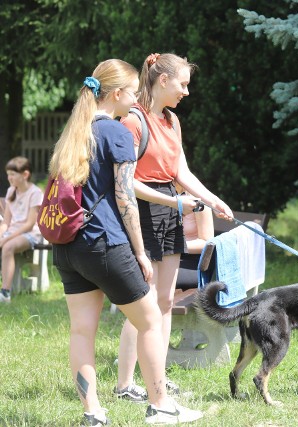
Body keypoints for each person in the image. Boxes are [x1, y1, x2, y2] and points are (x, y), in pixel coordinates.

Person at [49, 59, 202, 425]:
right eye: (132, 93)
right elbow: (125, 198)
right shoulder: (116, 133)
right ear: (116, 94)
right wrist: (139, 252)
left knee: (81, 331)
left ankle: (93, 413)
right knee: (151, 320)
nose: (135, 101)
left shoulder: (76, 131)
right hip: (106, 244)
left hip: (69, 247)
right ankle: (161, 405)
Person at [115, 52, 233, 400]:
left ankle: (157, 378)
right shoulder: (133, 121)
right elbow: (128, 182)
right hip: (144, 212)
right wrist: (173, 202)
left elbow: (181, 172)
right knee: (144, 302)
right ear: (162, 80)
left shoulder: (172, 121)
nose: (186, 91)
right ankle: (124, 385)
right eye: (183, 84)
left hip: (170, 210)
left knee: (165, 300)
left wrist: (211, 199)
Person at [0, 156, 44, 303]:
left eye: (12, 174)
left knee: (8, 247)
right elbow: (6, 222)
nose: (9, 177)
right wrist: (1, 235)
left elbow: (29, 224)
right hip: (13, 232)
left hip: (30, 234)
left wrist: (5, 239)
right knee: (5, 244)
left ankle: (5, 293)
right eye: (8, 174)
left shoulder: (35, 193)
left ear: (25, 175)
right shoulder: (11, 191)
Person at [175, 183, 214, 290]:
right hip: (167, 257)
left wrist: (172, 247)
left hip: (193, 261)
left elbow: (206, 242)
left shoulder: (197, 200)